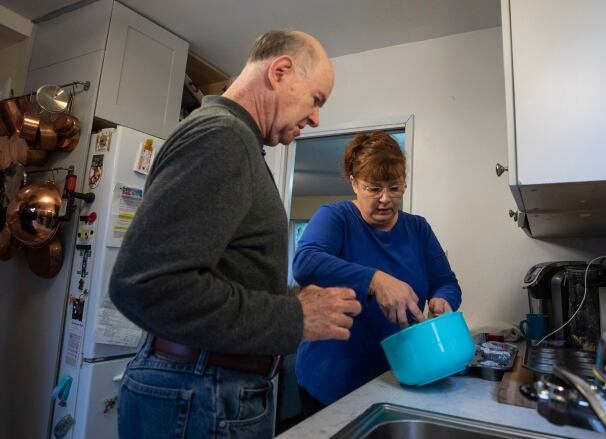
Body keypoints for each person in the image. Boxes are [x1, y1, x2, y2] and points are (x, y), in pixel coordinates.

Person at [109, 30, 361, 439]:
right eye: (317, 98)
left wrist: (291, 299)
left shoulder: (233, 140)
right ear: (280, 71)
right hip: (199, 395)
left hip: (206, 392)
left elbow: (223, 276)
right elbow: (146, 285)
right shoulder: (222, 137)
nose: (316, 117)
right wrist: (294, 316)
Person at [292, 131, 462, 415]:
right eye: (374, 188)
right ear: (354, 182)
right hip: (332, 381)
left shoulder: (418, 229)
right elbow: (305, 263)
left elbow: (445, 282)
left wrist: (443, 300)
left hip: (399, 375)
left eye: (394, 188)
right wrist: (375, 279)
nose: (385, 199)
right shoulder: (336, 217)